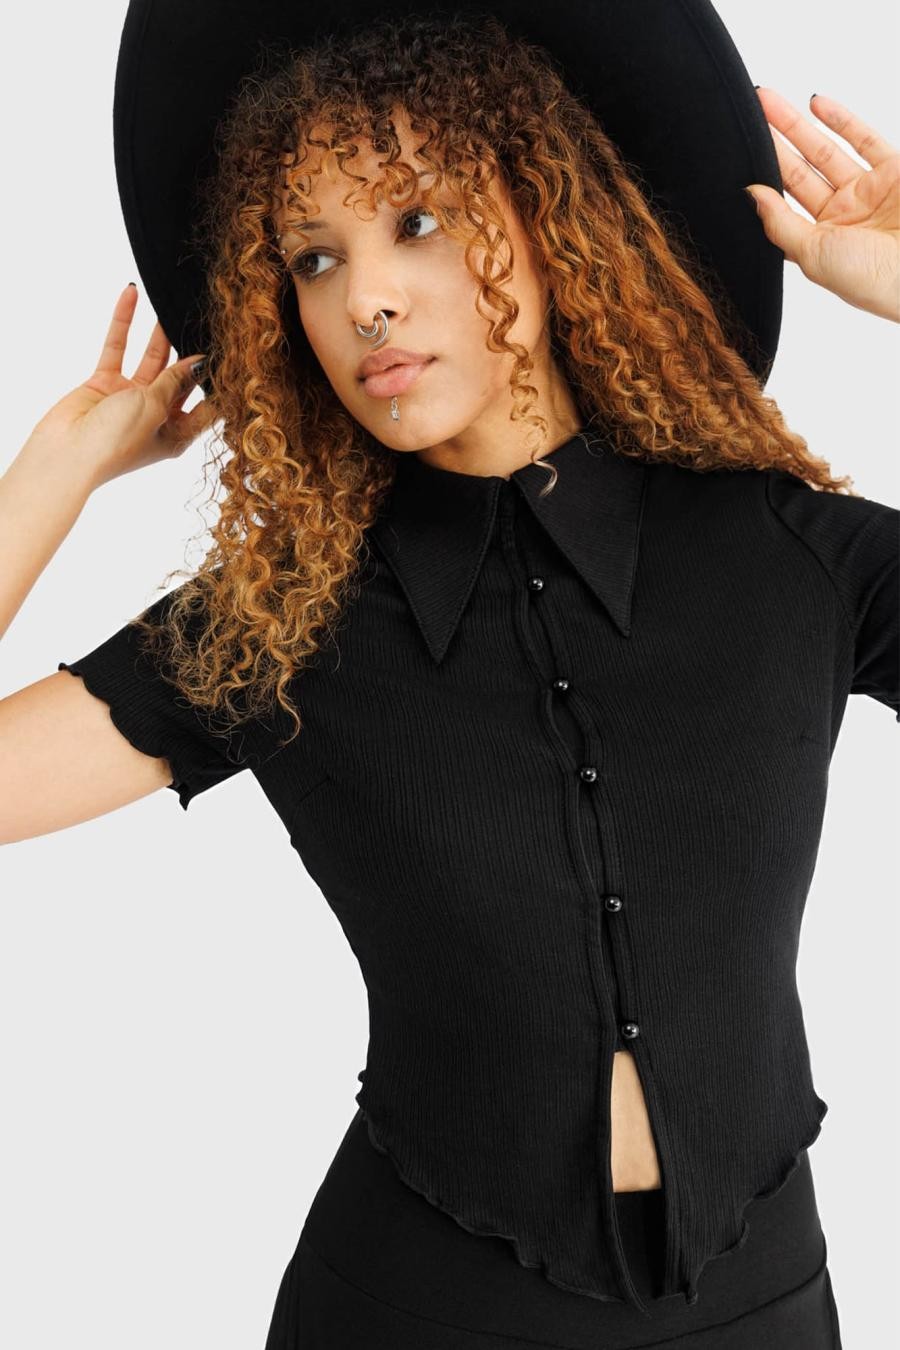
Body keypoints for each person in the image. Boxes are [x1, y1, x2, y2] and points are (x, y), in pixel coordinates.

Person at [1, 4, 897, 1346]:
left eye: (416, 221)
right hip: (408, 1310)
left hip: (762, 1312)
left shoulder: (790, 556)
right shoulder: (280, 623)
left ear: (550, 219)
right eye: (314, 258)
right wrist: (56, 469)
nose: (364, 298)